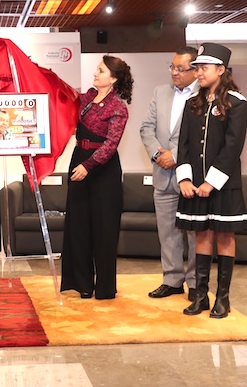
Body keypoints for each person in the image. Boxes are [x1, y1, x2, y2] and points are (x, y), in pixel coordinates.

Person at [176, 42, 247, 319]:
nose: (199, 73)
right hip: (195, 185)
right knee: (202, 234)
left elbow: (233, 148)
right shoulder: (192, 104)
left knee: (225, 236)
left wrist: (212, 182)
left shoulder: (237, 103)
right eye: (197, 68)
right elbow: (183, 144)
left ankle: (223, 298)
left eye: (204, 68)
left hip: (223, 184)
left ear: (220, 69)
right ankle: (201, 296)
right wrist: (185, 179)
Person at [60, 55, 134, 300]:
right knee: (78, 225)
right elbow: (63, 96)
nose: (95, 73)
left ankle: (104, 287)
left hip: (103, 170)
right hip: (78, 160)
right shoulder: (87, 97)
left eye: (101, 71)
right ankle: (82, 284)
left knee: (104, 229)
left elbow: (111, 145)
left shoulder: (118, 107)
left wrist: (88, 165)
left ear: (113, 79)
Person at [140, 47, 199, 301]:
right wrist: (157, 155)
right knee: (167, 232)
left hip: (192, 177)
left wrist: (175, 156)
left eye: (181, 69)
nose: (175, 73)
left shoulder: (205, 95)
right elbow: (146, 128)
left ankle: (196, 283)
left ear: (195, 70)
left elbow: (201, 136)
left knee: (195, 234)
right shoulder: (160, 92)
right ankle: (172, 280)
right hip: (163, 176)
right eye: (172, 67)